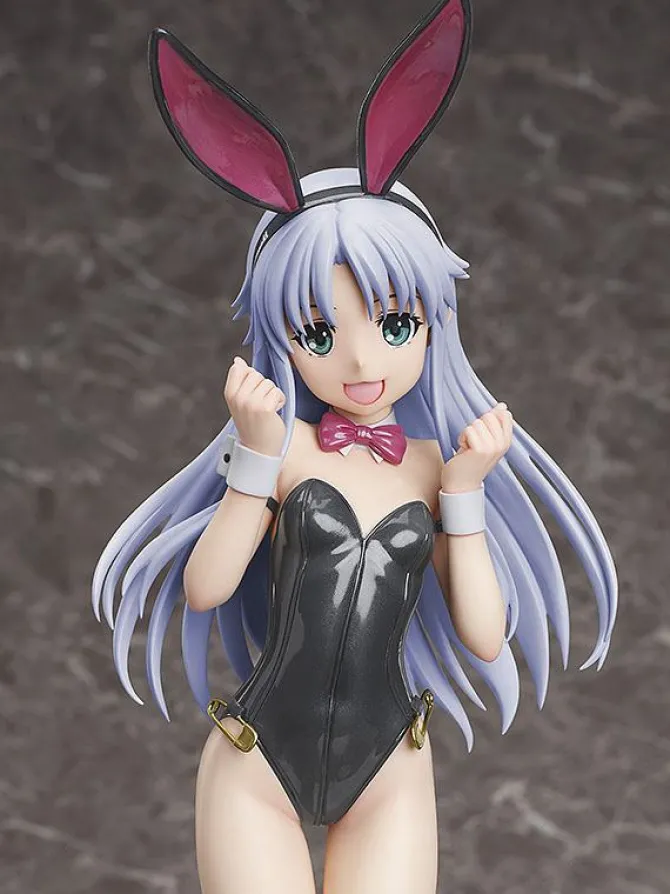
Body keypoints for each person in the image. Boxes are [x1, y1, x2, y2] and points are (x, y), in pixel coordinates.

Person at [92, 3, 617, 892]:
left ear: (434, 321)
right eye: (319, 334)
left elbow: (485, 635)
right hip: (257, 758)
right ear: (282, 340)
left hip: (391, 767)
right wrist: (255, 458)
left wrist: (466, 491)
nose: (364, 361)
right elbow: (206, 587)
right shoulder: (285, 449)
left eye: (395, 323)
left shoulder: (432, 468)